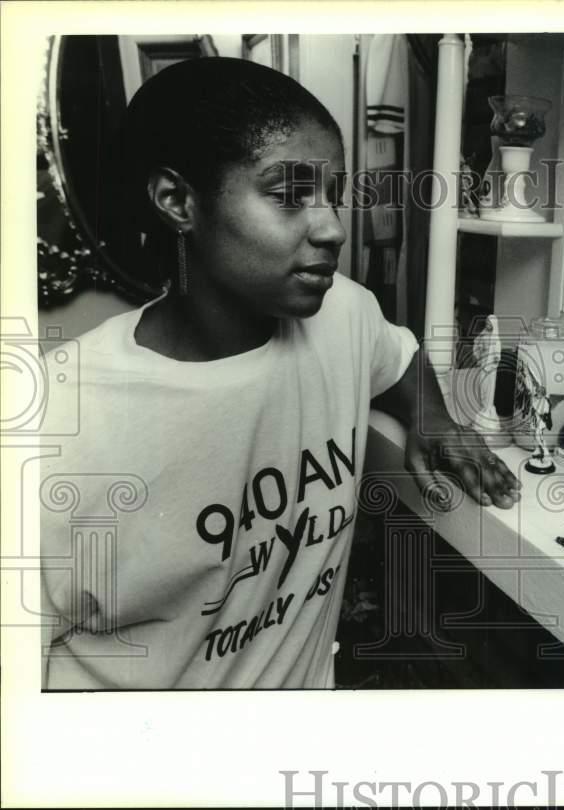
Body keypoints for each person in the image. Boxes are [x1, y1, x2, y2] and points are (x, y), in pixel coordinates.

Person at [38, 57, 519, 690]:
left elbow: (397, 358)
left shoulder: (343, 313)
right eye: (289, 196)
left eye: (333, 195)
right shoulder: (54, 422)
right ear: (177, 200)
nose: (332, 228)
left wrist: (432, 415)